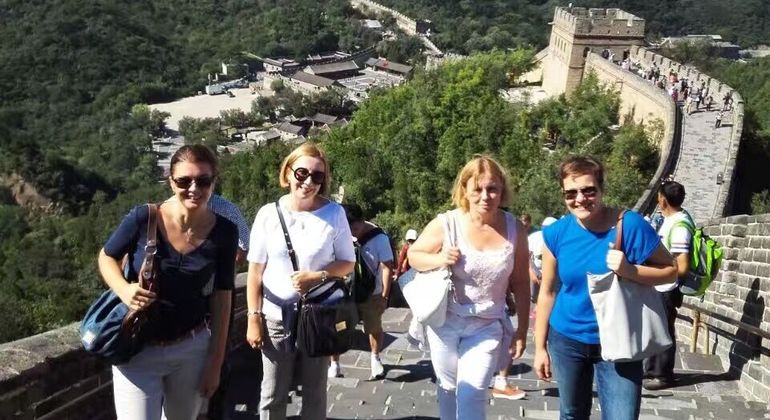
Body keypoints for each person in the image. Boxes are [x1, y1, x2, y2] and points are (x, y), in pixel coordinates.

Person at [98, 144, 238, 419]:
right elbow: (106, 256)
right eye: (184, 181)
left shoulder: (225, 231)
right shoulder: (144, 218)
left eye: (203, 180)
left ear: (214, 182)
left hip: (192, 349)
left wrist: (216, 362)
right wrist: (123, 289)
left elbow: (223, 295)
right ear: (171, 181)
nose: (194, 188)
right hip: (137, 348)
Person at [533, 156, 677, 420]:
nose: (580, 199)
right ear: (563, 195)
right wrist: (540, 347)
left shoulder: (629, 225)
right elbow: (548, 291)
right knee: (571, 414)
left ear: (601, 189)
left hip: (620, 337)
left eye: (589, 190)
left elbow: (671, 269)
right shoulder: (556, 234)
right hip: (567, 339)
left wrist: (630, 270)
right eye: (571, 193)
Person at [408, 155, 530, 420]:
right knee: (448, 389)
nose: (485, 196)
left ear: (502, 190)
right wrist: (440, 258)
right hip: (446, 322)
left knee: (472, 391)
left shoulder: (515, 229)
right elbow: (414, 256)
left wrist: (522, 330)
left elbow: (521, 281)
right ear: (465, 190)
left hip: (487, 324)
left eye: (492, 188)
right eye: (478, 189)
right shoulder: (448, 223)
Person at [245, 142, 355, 420]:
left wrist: (316, 276)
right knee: (272, 394)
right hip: (275, 317)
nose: (308, 182)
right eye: (302, 173)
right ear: (288, 173)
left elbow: (347, 262)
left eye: (317, 176)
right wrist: (253, 317)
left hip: (318, 317)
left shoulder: (334, 214)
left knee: (315, 394)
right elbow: (255, 272)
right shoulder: (268, 215)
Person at [329, 204, 395, 379]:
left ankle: (375, 359)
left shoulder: (379, 238)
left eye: (355, 227)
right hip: (344, 291)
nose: (352, 232)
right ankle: (334, 363)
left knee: (373, 327)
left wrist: (384, 297)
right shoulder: (340, 233)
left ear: (362, 221)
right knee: (338, 327)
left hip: (371, 293)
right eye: (348, 228)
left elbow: (387, 267)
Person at [644, 181, 692, 390]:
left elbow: (682, 267)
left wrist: (659, 270)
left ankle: (663, 375)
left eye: (658, 196)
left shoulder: (680, 225)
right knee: (656, 328)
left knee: (664, 330)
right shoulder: (671, 219)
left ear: (663, 199)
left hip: (668, 287)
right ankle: (651, 370)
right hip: (660, 284)